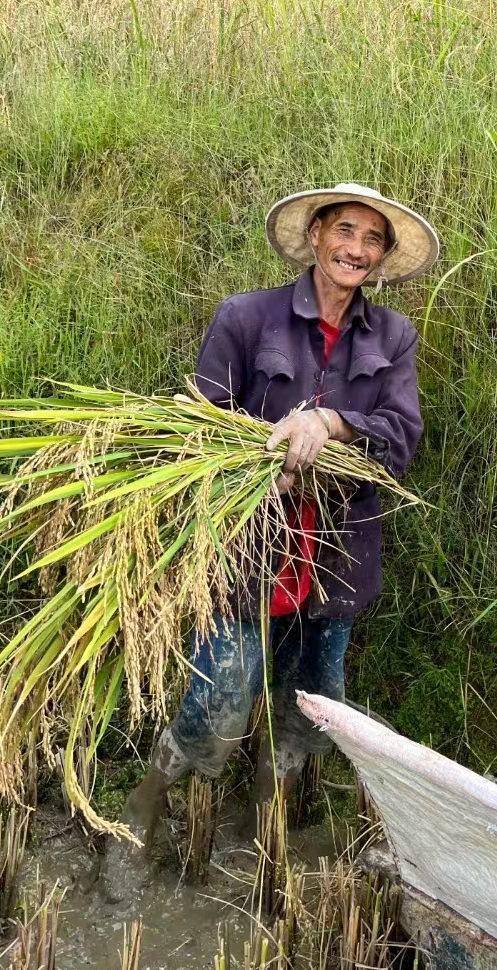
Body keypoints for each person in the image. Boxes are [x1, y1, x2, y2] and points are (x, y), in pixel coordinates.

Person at [114, 182, 439, 862]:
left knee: (308, 703)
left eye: (373, 240)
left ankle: (270, 814)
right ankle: (142, 811)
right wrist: (263, 462)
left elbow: (400, 440)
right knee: (220, 695)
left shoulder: (393, 337)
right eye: (346, 231)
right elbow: (200, 434)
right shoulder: (246, 318)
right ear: (317, 234)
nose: (357, 249)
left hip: (336, 559)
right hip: (251, 556)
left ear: (380, 258)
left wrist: (331, 422)